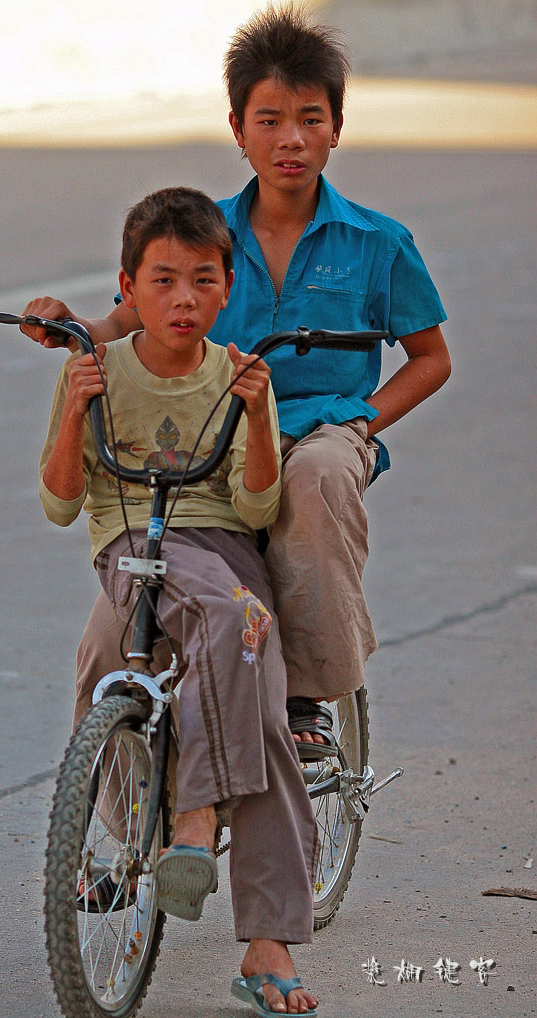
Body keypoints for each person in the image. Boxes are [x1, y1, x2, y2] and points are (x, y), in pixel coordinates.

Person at [23, 6, 451, 753]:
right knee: (108, 645)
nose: (290, 138)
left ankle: (307, 696)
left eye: (309, 118)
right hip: (205, 444)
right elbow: (130, 320)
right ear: (237, 127)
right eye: (269, 119)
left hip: (320, 430)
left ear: (336, 128)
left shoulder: (379, 244)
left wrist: (358, 421)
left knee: (314, 476)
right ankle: (107, 849)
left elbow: (430, 357)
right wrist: (72, 329)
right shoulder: (203, 233)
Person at [40, 185, 320, 1016]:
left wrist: (258, 417)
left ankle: (229, 883)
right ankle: (161, 833)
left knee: (245, 654)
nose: (183, 300)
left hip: (221, 545)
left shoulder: (239, 377)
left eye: (202, 280)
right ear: (125, 288)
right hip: (129, 544)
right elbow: (60, 504)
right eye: (162, 281)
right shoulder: (95, 371)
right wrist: (75, 411)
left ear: (227, 288)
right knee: (174, 642)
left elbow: (259, 508)